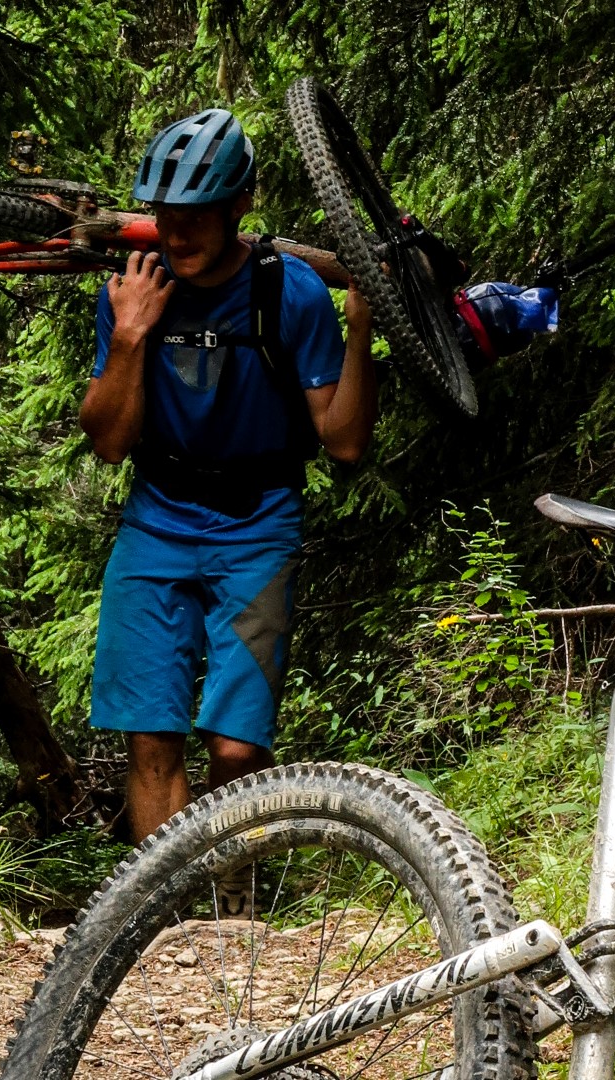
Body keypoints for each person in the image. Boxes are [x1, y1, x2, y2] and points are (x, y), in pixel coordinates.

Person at [81, 108, 376, 853]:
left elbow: (341, 442)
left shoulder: (292, 292)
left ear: (239, 204)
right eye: (166, 214)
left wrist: (363, 329)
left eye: (198, 215)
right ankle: (169, 920)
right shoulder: (131, 291)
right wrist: (129, 336)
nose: (178, 235)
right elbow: (110, 443)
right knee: (151, 739)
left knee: (238, 751)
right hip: (157, 517)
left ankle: (234, 899)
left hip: (259, 522)